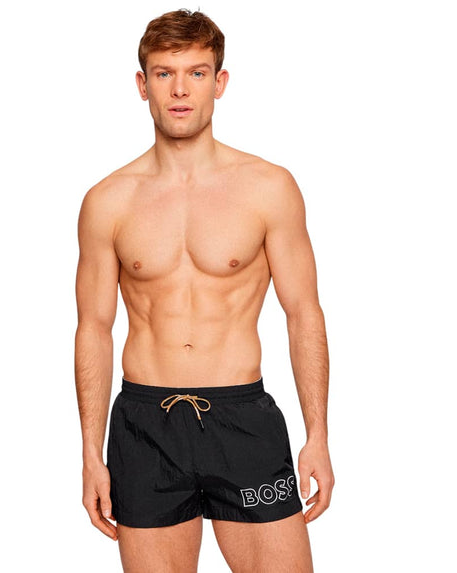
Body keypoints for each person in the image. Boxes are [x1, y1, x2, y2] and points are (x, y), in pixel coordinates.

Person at [74, 8, 334, 572]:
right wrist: (91, 453)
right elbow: (93, 328)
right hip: (145, 425)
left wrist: (318, 434)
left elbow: (303, 314)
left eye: (196, 72)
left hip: (243, 420)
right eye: (164, 73)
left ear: (219, 82)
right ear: (142, 84)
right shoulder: (107, 201)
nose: (180, 89)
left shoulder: (269, 188)